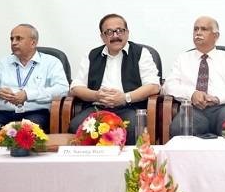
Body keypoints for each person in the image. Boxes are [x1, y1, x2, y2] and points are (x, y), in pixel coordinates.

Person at [0, 24, 68, 145]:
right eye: (12, 39)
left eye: (19, 38)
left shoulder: (51, 62)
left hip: (35, 113)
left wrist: (28, 95)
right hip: (4, 114)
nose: (13, 42)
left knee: (25, 132)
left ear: (33, 43)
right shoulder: (3, 63)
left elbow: (62, 89)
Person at [68, 14, 160, 143]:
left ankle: (129, 163)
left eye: (120, 31)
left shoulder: (141, 53)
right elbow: (76, 87)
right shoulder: (92, 55)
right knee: (76, 125)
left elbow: (153, 85)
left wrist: (124, 97)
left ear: (127, 33)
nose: (115, 36)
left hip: (130, 107)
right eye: (109, 32)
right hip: (97, 108)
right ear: (102, 37)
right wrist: (96, 96)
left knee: (133, 127)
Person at [163, 16, 225, 137]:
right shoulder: (183, 59)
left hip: (224, 108)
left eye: (204, 29)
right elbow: (168, 85)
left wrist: (219, 98)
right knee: (179, 128)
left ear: (216, 36)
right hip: (193, 109)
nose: (198, 33)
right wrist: (192, 94)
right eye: (195, 29)